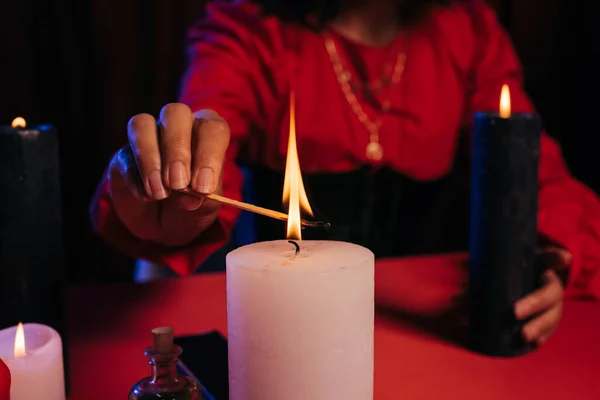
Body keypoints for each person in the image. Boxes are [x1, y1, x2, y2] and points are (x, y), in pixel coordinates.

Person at [90, 0, 600, 346]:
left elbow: (537, 178)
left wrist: (544, 258)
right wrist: (174, 195)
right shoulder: (250, 29)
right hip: (282, 338)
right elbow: (206, 125)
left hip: (424, 334)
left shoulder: (467, 32)